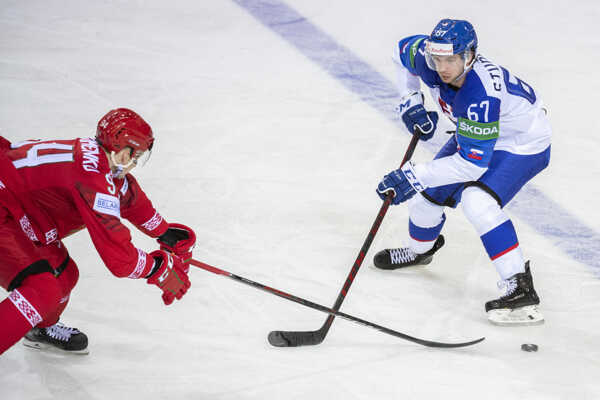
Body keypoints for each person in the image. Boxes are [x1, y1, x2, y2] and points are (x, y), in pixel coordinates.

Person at [373, 19, 551, 326]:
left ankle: (519, 287)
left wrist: (413, 176)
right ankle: (420, 252)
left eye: (450, 60)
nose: (441, 67)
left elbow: (472, 165)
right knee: (426, 200)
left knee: (477, 201)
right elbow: (399, 53)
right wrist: (410, 99)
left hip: (521, 142)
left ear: (469, 56)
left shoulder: (479, 94)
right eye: (436, 59)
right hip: (476, 134)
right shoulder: (429, 58)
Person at [0, 108, 195, 355]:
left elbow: (126, 195)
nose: (134, 164)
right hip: (5, 208)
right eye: (136, 157)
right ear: (123, 150)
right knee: (43, 290)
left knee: (64, 276)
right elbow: (119, 258)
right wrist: (157, 269)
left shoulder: (97, 159)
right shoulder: (92, 177)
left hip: (17, 209)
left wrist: (165, 233)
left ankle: (40, 328)